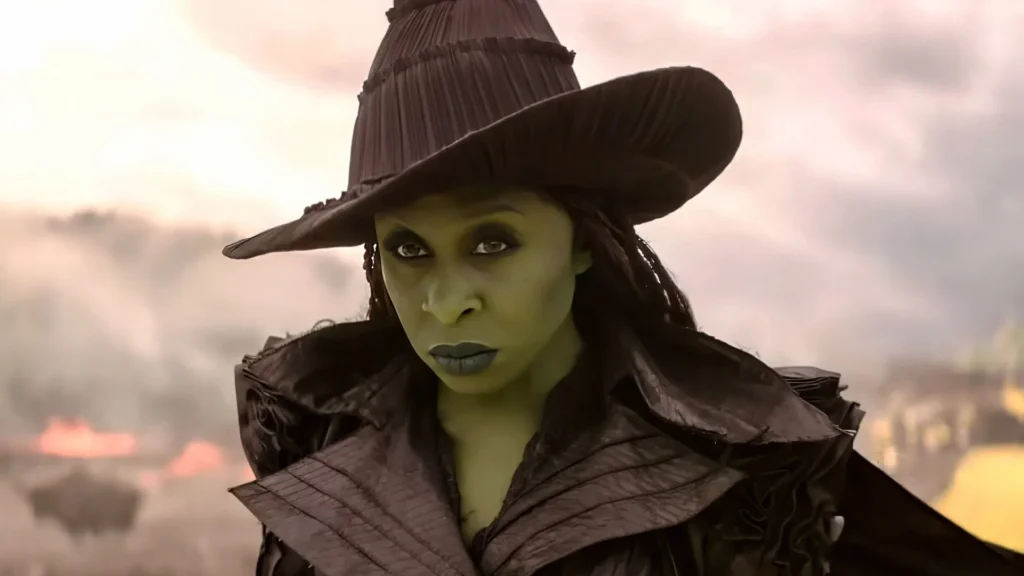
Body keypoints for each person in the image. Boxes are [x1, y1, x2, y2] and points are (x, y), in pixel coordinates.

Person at [222, 1, 1024, 574]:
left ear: (582, 240)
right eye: (408, 249)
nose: (444, 301)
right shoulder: (318, 447)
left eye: (493, 241)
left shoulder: (744, 473)